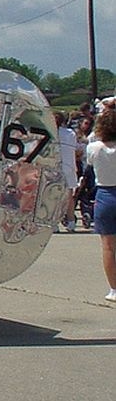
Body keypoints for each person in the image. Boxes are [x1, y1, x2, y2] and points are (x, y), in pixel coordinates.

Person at [85, 102, 116, 302]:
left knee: (108, 246)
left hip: (104, 194)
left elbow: (89, 164)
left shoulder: (94, 148)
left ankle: (114, 288)